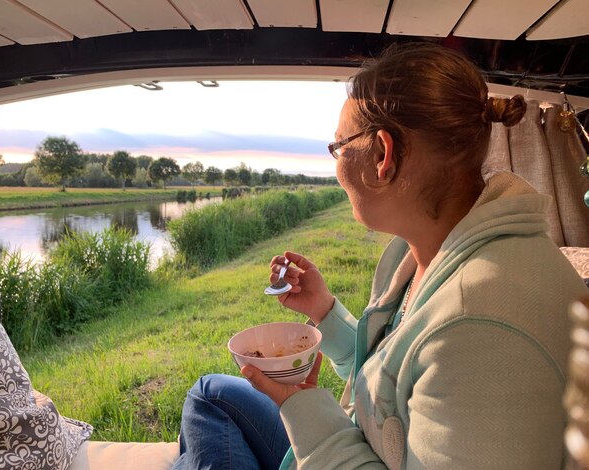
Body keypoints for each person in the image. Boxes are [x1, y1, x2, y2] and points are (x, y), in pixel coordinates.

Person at [171, 42, 588, 469]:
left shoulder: (483, 328)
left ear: (382, 156)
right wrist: (325, 311)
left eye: (338, 146)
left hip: (343, 442)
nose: (335, 163)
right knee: (210, 394)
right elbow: (392, 378)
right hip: (353, 434)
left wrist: (304, 408)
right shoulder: (427, 256)